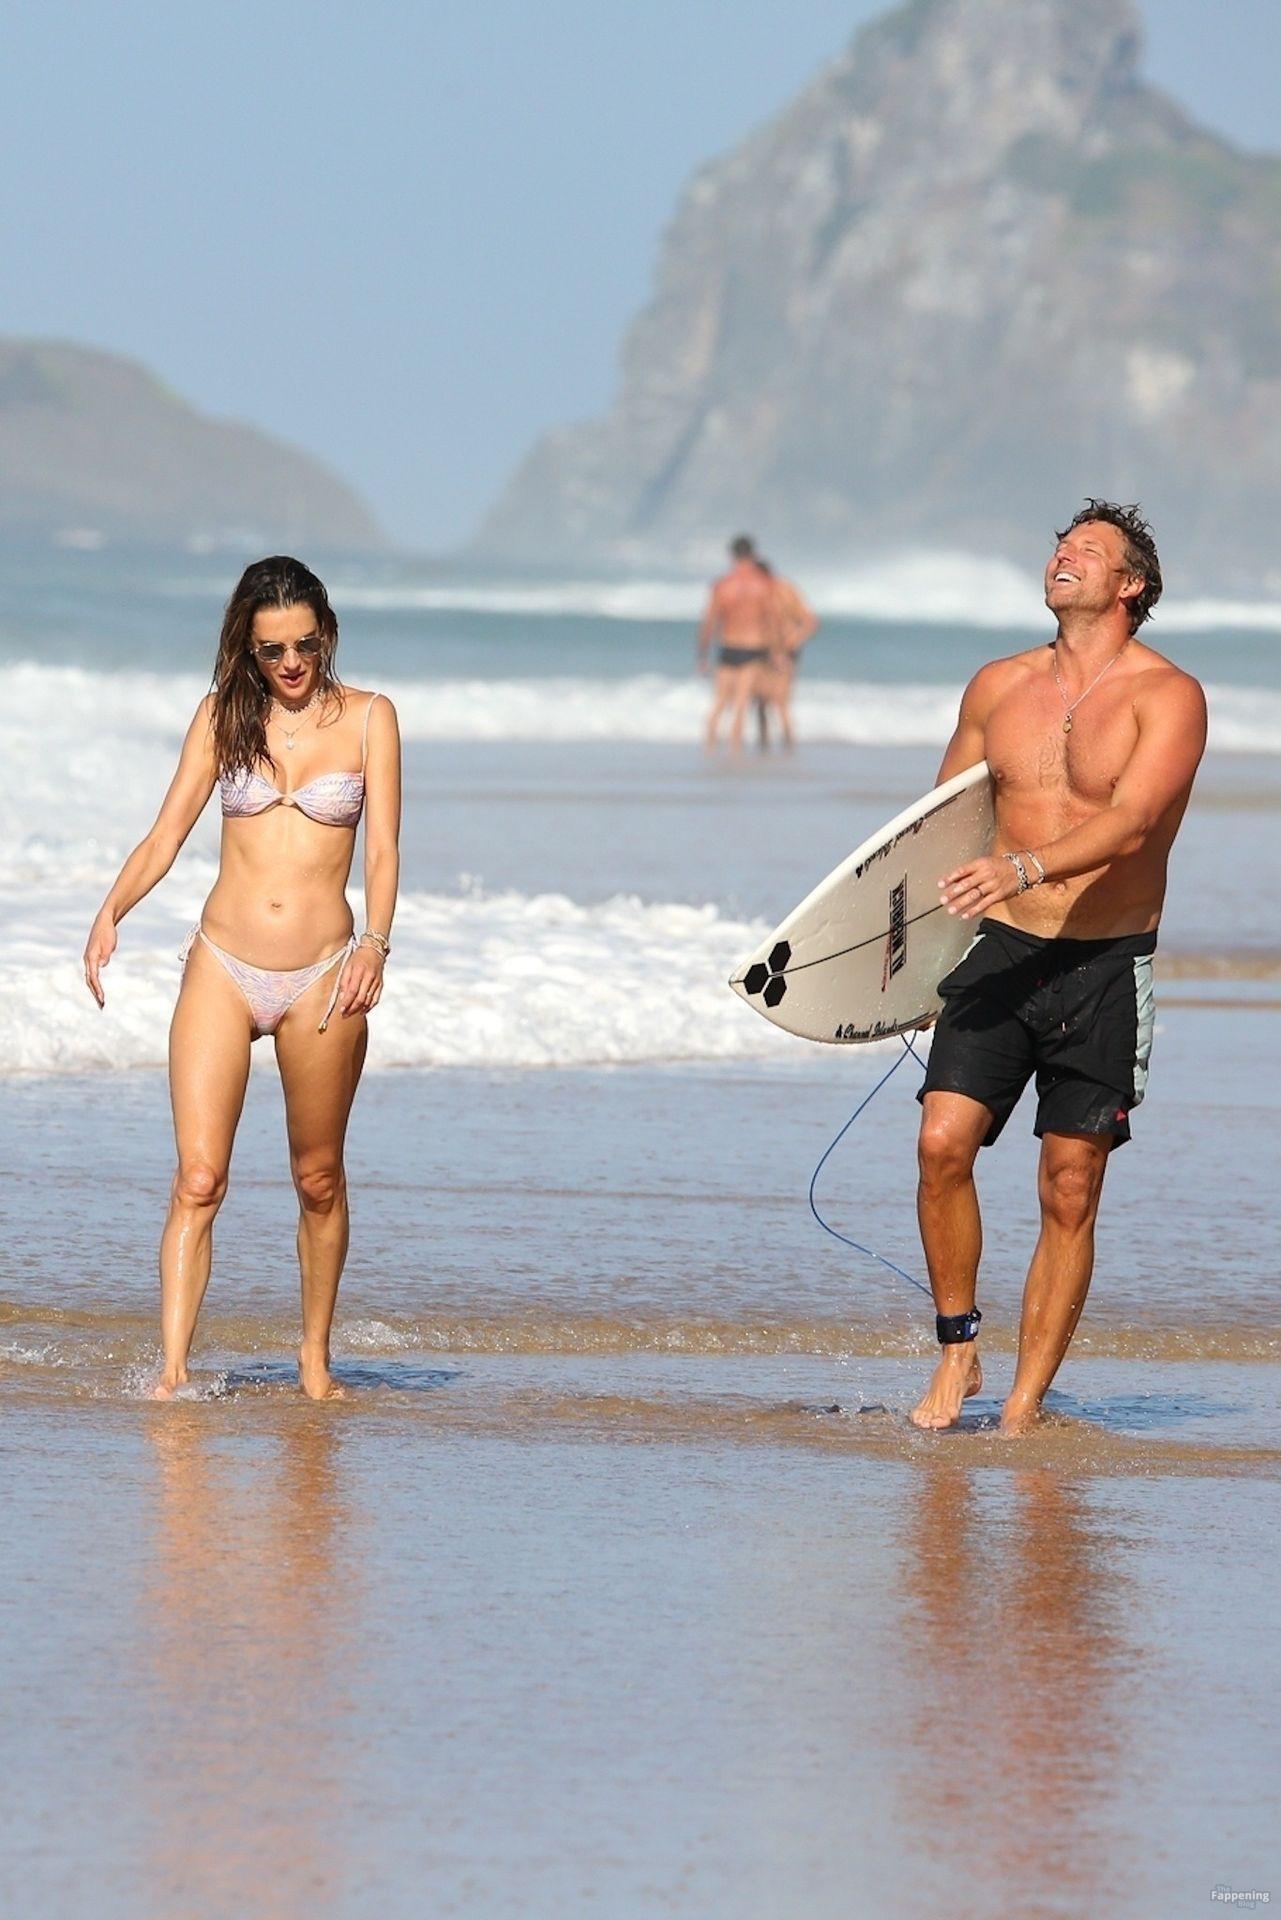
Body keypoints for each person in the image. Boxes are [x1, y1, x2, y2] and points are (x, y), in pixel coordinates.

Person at [909, 500, 1205, 1435]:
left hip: (1105, 963)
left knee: (1068, 1184)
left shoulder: (1167, 696)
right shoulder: (997, 685)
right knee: (940, 1143)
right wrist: (905, 966)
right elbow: (938, 824)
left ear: (1130, 585)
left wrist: (1025, 866)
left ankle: (1023, 1405)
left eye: (1087, 550)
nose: (1061, 557)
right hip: (999, 949)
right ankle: (958, 1346)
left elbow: (1133, 822)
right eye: (1058, 546)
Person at [83, 557, 401, 1400]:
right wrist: (111, 911)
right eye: (271, 650)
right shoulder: (221, 715)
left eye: (304, 645)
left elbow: (381, 850)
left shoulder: (371, 718)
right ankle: (172, 1373)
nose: (291, 663)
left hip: (324, 975)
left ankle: (314, 1362)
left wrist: (375, 943)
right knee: (198, 1179)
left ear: (326, 634)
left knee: (317, 1179)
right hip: (222, 966)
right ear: (247, 649)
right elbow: (165, 835)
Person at [697, 534, 777, 750]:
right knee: (741, 705)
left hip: (728, 647)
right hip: (753, 648)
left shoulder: (722, 585)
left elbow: (709, 622)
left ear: (731, 556)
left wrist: (702, 656)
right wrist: (776, 653)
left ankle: (708, 749)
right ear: (754, 555)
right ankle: (735, 753)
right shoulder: (764, 585)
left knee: (719, 704)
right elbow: (771, 621)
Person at [754, 561, 819, 750]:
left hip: (784, 652)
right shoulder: (759, 593)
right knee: (760, 702)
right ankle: (764, 747)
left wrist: (789, 645)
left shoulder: (784, 590)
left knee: (781, 702)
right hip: (763, 651)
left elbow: (810, 622)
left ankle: (788, 745)